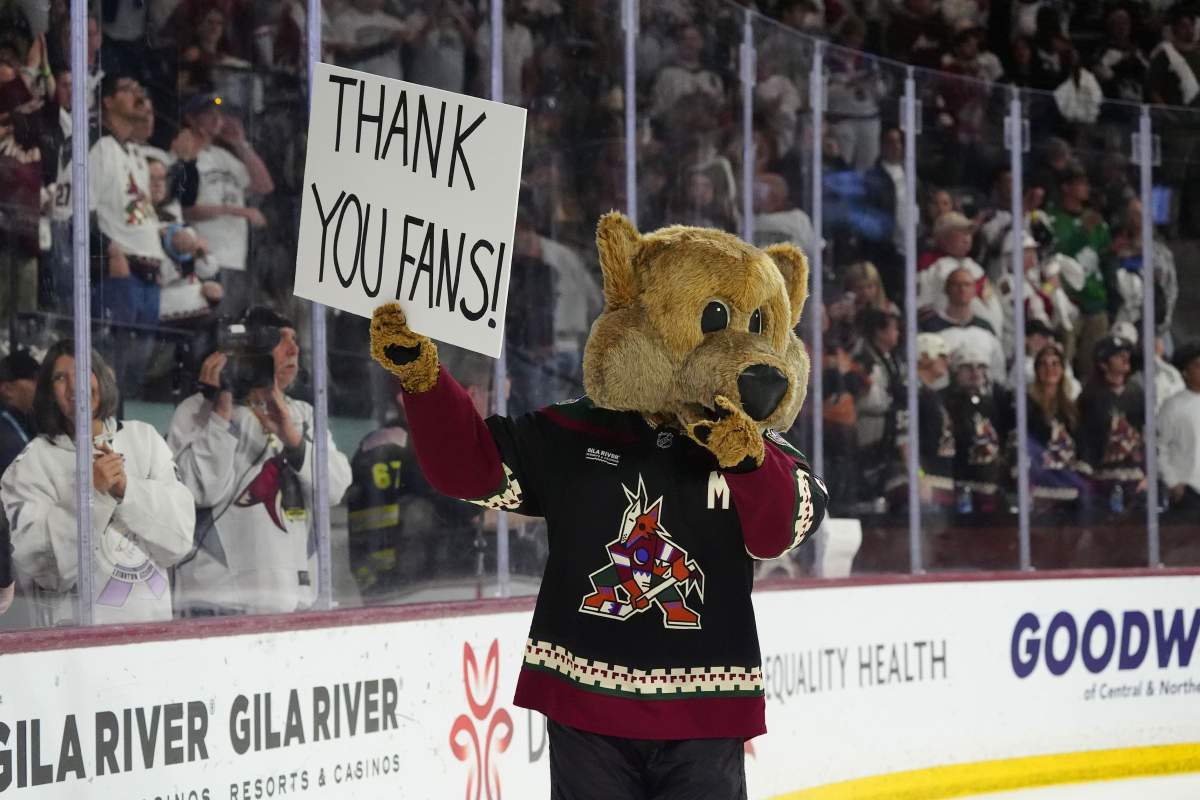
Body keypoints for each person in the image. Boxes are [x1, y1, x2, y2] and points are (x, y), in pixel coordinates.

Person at [168, 307, 351, 616]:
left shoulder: (303, 415)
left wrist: (293, 439)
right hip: (218, 604)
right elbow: (197, 493)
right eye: (280, 340)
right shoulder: (196, 411)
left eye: (294, 339)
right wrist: (221, 413)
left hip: (295, 603)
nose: (294, 349)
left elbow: (335, 489)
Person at [1, 341, 195, 627]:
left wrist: (127, 490)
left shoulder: (145, 439)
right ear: (47, 392)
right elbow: (47, 573)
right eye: (60, 377)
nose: (75, 385)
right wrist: (93, 494)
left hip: (153, 638)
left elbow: (179, 541)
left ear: (102, 378)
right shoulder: (31, 464)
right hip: (76, 647)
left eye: (84, 371)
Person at [179, 93, 274, 317]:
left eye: (218, 115)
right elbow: (187, 209)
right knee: (208, 326)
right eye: (208, 114)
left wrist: (240, 144)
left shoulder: (225, 157)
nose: (216, 120)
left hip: (235, 258)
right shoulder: (187, 155)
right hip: (205, 256)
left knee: (231, 326)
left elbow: (263, 185)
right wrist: (238, 211)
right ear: (192, 119)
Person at [1077, 334, 1144, 514]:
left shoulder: (1137, 393)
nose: (1125, 358)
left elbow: (1147, 433)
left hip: (1135, 476)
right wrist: (1088, 475)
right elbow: (1085, 438)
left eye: (1126, 353)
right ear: (1103, 364)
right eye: (1118, 355)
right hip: (1103, 478)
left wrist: (1148, 472)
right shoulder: (1091, 396)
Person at [943, 343, 1013, 514]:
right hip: (960, 484)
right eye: (967, 367)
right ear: (955, 372)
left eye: (980, 366)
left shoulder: (993, 403)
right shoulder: (945, 402)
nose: (975, 372)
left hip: (992, 483)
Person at [1027, 343, 1089, 516]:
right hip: (1041, 484)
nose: (1050, 369)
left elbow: (1081, 442)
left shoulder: (1072, 408)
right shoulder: (1027, 406)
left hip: (1069, 482)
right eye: (1044, 364)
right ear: (1037, 370)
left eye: (1055, 364)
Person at [919, 266, 1007, 388]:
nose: (962, 289)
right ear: (946, 289)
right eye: (956, 284)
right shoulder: (930, 326)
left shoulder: (985, 327)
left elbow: (997, 367)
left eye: (967, 285)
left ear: (974, 290)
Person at [1159, 342, 1200, 516]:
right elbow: (1158, 447)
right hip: (1189, 490)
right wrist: (1173, 481)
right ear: (1185, 373)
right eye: (1198, 366)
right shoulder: (1173, 406)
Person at [916, 333, 955, 508]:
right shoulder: (912, 393)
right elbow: (906, 440)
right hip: (925, 483)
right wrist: (919, 475)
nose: (947, 363)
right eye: (942, 356)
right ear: (925, 355)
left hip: (940, 479)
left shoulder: (932, 394)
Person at [0, 351, 38, 476]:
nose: (39, 387)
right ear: (8, 389)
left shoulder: (27, 420)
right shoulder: (5, 433)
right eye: (33, 379)